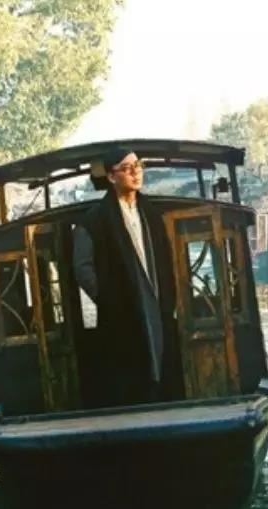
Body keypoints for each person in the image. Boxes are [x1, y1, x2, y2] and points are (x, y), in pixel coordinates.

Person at [73, 148, 179, 406]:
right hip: (119, 313)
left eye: (138, 165)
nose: (135, 172)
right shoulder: (94, 221)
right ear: (112, 177)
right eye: (127, 168)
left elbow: (168, 261)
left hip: (156, 304)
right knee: (127, 371)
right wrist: (108, 298)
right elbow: (82, 268)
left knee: (160, 363)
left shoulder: (152, 214)